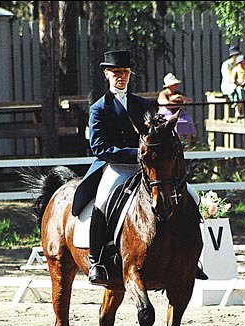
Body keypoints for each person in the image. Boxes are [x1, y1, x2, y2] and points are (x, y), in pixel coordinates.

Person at [72, 50, 207, 286]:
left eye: (124, 72)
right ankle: (97, 261)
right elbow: (99, 147)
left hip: (148, 167)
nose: (120, 77)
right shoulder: (99, 108)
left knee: (191, 196)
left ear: (129, 74)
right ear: (107, 74)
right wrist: (137, 154)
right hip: (115, 166)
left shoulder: (142, 103)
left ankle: (191, 258)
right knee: (102, 201)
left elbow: (154, 133)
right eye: (115, 72)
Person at [157, 73, 196, 142]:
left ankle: (188, 142)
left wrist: (181, 97)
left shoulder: (178, 93)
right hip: (167, 115)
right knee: (175, 123)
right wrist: (173, 100)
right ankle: (177, 141)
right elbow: (165, 103)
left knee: (188, 120)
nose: (176, 86)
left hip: (180, 114)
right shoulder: (163, 93)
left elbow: (190, 101)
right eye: (174, 84)